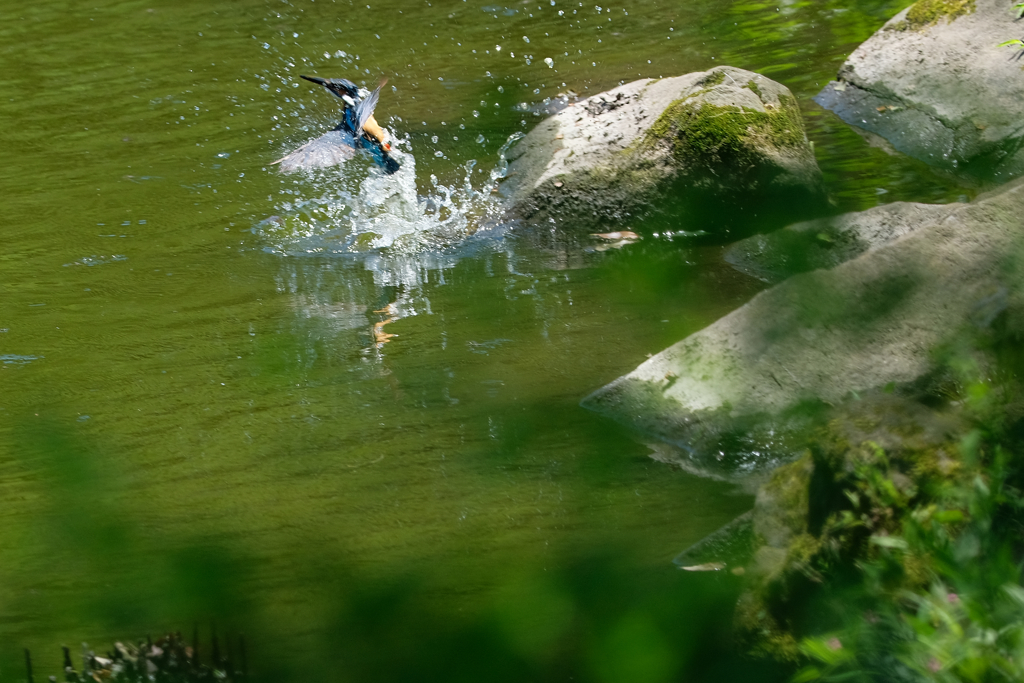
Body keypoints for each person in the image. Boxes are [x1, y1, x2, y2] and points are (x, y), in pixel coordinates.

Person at [273, 75, 400, 174]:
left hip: (377, 147)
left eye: (335, 87)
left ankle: (386, 152)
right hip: (372, 148)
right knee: (318, 143)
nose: (333, 89)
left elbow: (367, 119)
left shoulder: (356, 109)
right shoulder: (350, 113)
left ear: (344, 92)